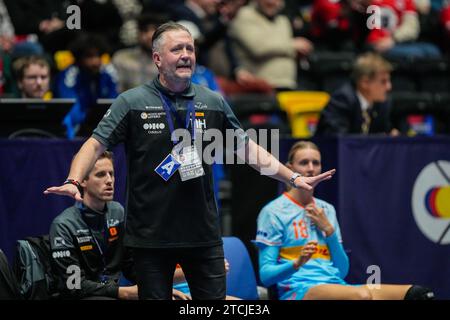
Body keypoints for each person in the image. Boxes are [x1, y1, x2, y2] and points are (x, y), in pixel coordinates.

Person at [44, 22, 335, 300]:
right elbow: (94, 144)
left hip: (203, 236)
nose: (186, 55)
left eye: (190, 49)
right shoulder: (131, 102)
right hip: (150, 238)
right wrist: (73, 180)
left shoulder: (213, 101)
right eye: (177, 49)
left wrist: (293, 178)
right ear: (157, 58)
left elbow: (249, 150)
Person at [255, 140, 435, 300]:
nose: (311, 168)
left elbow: (341, 270)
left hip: (337, 286)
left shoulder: (327, 210)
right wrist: (297, 262)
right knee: (361, 296)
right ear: (290, 168)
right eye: (304, 163)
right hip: (299, 290)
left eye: (316, 163)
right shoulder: (273, 212)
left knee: (420, 294)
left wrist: (330, 232)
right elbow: (266, 276)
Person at [49, 151, 189, 300]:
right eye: (101, 174)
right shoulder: (63, 225)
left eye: (111, 173)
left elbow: (132, 268)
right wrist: (125, 293)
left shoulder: (117, 212)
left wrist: (160, 289)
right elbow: (74, 286)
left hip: (114, 293)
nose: (109, 180)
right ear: (83, 180)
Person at [315, 52, 399, 136]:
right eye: (383, 81)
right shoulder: (342, 100)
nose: (389, 87)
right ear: (365, 82)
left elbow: (385, 131)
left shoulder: (382, 104)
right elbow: (339, 140)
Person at [54, 33, 118, 139]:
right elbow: (70, 111)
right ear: (79, 58)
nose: (95, 61)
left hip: (101, 128)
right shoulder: (69, 75)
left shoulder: (107, 74)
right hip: (75, 130)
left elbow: (115, 104)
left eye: (98, 56)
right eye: (90, 56)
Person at [112, 13, 167, 92]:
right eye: (145, 30)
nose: (150, 35)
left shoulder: (169, 61)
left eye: (155, 30)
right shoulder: (121, 59)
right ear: (138, 33)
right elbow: (115, 93)